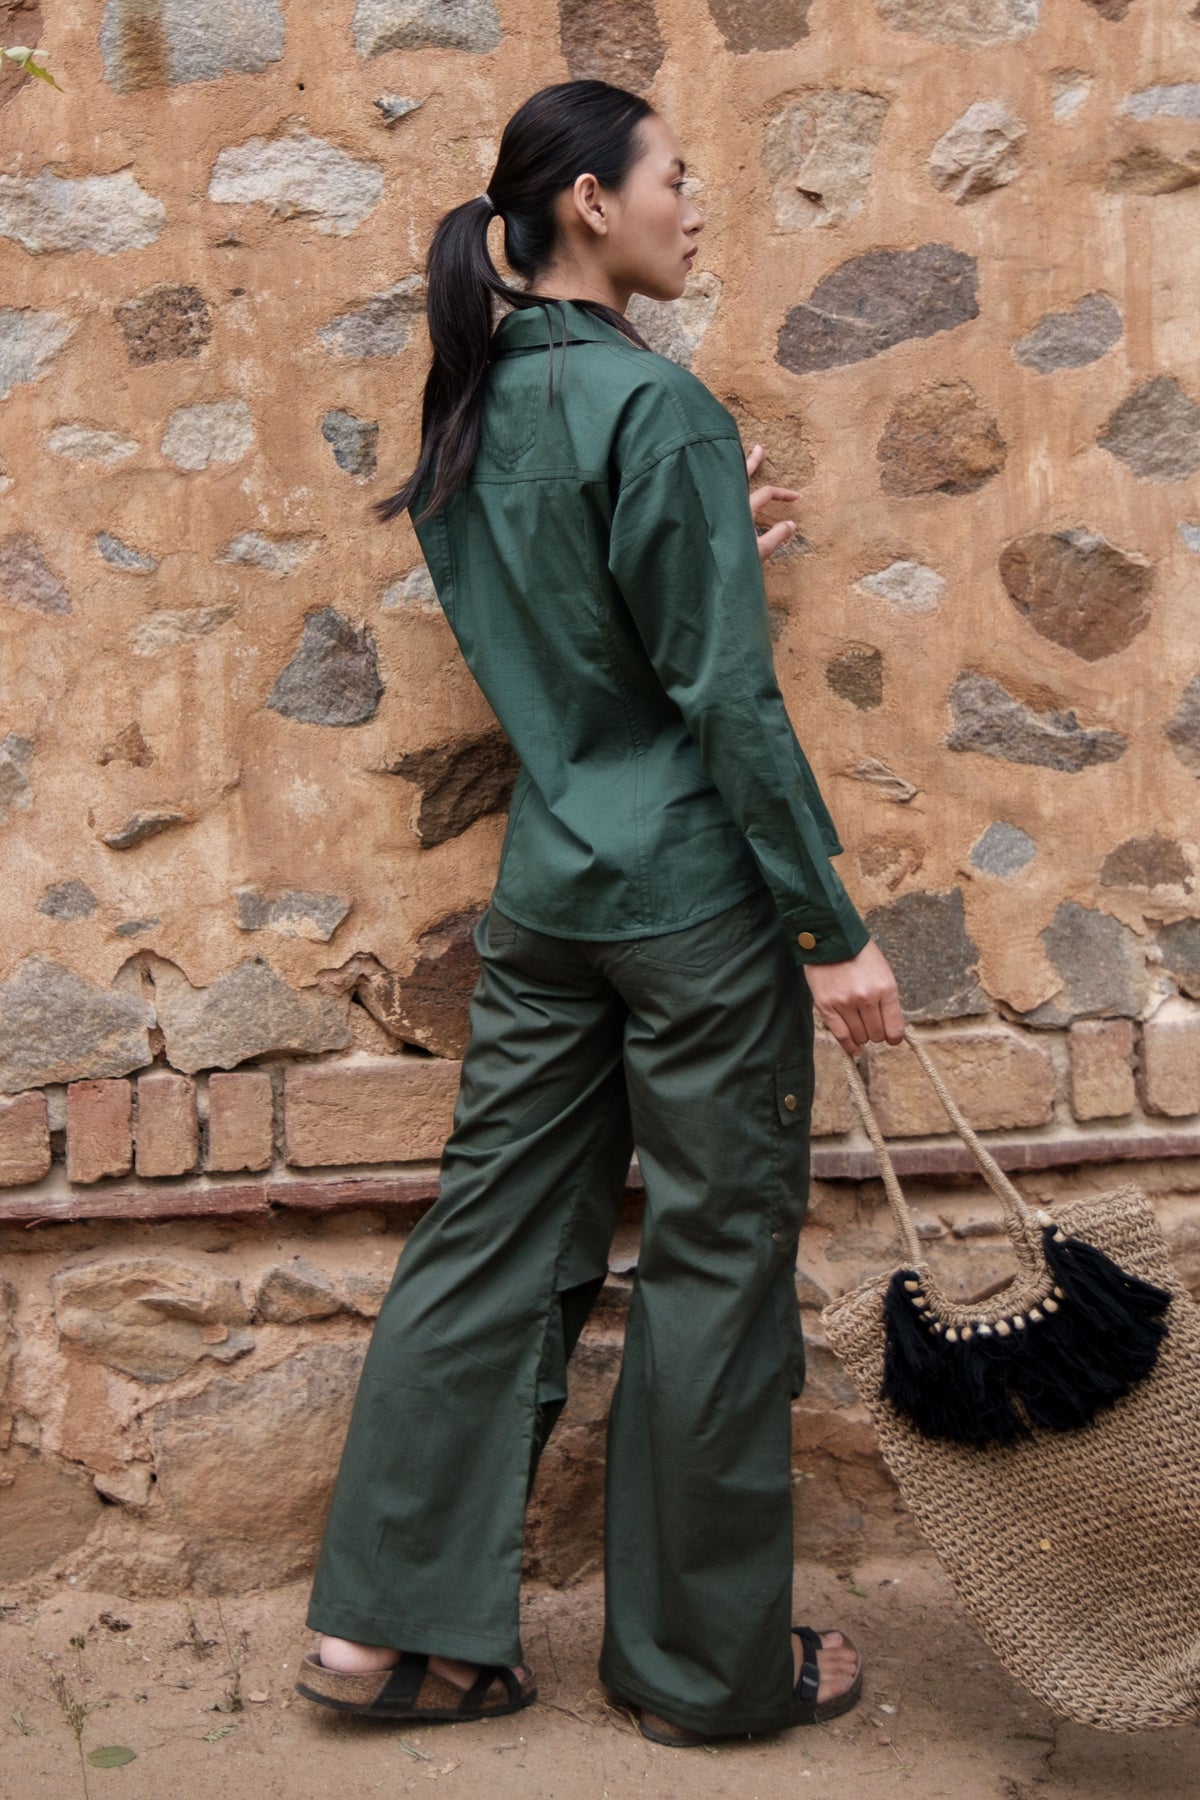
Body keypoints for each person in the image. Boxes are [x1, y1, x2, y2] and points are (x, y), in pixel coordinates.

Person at [296, 78, 905, 1750]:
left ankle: (382, 1642)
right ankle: (705, 1670)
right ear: (585, 202)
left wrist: (723, 534)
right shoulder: (664, 411)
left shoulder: (472, 410)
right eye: (673, 178)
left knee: (485, 1240)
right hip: (697, 911)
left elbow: (584, 635)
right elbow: (722, 703)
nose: (692, 206)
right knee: (714, 1264)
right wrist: (832, 928)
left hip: (552, 893)